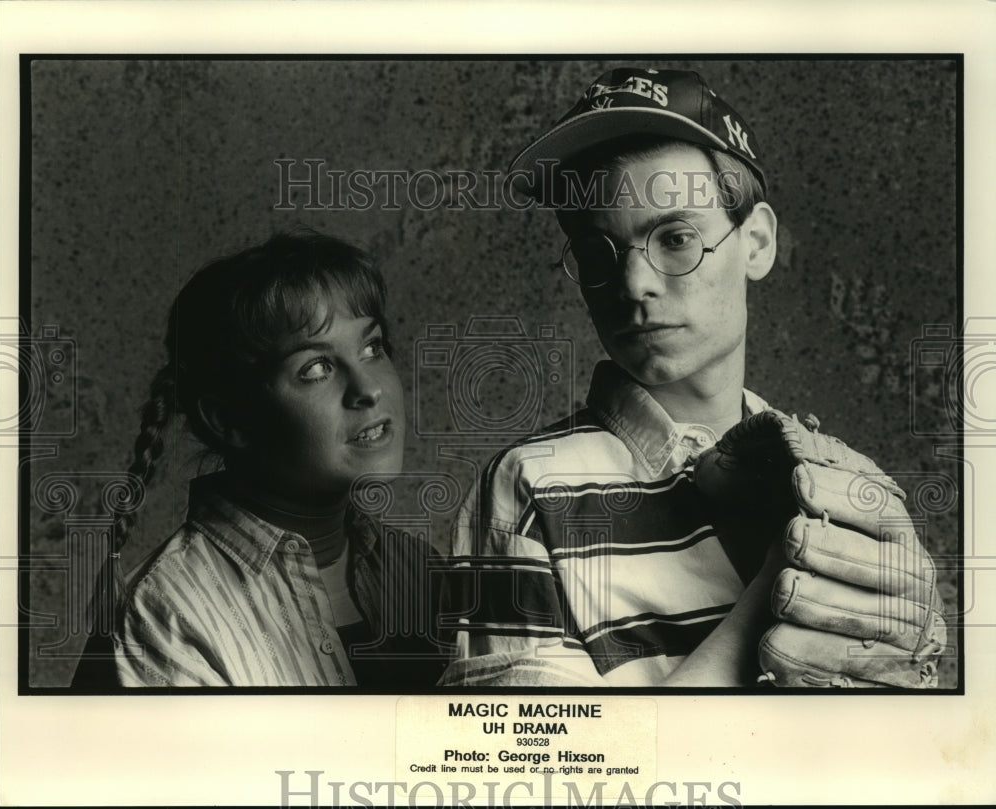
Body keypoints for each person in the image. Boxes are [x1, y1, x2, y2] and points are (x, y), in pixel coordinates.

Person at [440, 67, 945, 687]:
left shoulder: (846, 491)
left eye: (675, 237)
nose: (633, 283)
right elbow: (551, 777)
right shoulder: (531, 489)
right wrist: (773, 592)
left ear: (756, 243)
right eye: (599, 252)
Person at [73, 229, 444, 687]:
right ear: (229, 420)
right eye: (316, 369)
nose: (369, 388)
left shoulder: (418, 569)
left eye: (372, 347)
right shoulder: (165, 617)